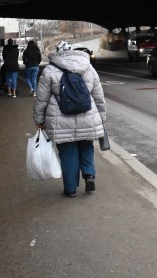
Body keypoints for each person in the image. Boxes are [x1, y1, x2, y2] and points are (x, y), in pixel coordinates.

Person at [34, 41, 106, 198]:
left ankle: (70, 189)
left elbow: (41, 99)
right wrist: (102, 115)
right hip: (87, 116)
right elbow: (98, 95)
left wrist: (39, 119)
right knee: (87, 147)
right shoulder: (88, 67)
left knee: (68, 154)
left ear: (57, 52)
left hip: (61, 120)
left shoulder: (50, 70)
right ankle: (89, 175)